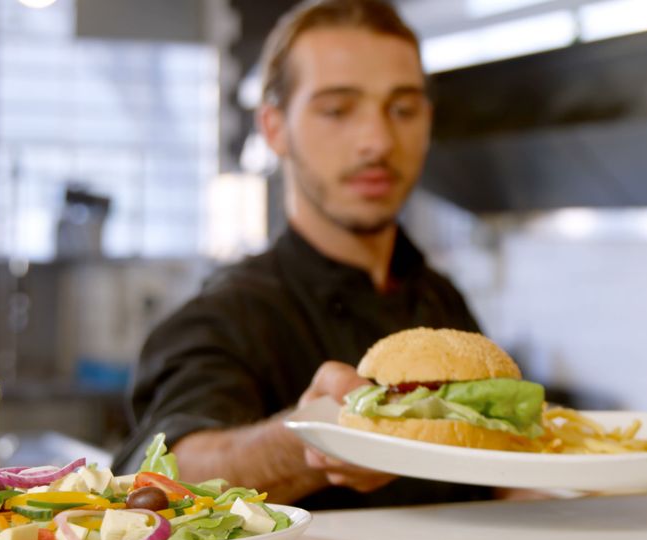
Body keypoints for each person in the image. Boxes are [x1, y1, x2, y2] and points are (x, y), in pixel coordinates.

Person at [112, 0, 496, 510]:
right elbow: (159, 476)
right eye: (337, 110)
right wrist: (310, 440)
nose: (377, 142)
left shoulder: (442, 303)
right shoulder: (224, 316)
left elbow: (492, 479)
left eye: (402, 109)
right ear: (274, 128)